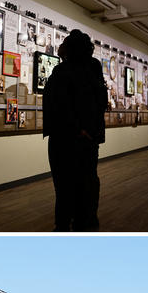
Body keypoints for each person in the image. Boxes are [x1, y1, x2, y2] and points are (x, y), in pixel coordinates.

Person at [42, 29, 108, 231]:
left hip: (66, 139)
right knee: (87, 183)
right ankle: (86, 224)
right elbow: (100, 102)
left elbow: (59, 106)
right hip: (88, 139)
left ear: (69, 48)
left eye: (64, 43)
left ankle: (63, 227)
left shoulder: (64, 72)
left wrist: (78, 130)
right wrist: (90, 132)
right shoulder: (94, 68)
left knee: (64, 187)